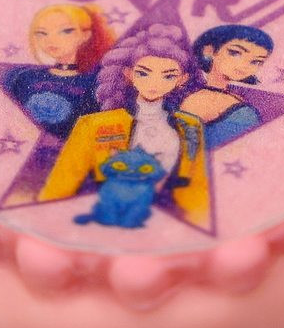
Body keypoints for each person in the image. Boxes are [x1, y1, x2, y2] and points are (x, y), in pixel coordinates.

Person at [39, 22, 210, 230]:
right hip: (103, 216)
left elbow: (195, 187)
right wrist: (45, 221)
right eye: (144, 73)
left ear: (182, 79)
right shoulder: (95, 124)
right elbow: (63, 180)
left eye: (168, 75)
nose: (154, 83)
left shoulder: (190, 126)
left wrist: (197, 226)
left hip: (166, 224)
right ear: (129, 74)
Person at [3, 3, 115, 139]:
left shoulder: (100, 81)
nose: (51, 39)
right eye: (41, 33)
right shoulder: (23, 77)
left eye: (65, 31)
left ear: (85, 35)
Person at [180, 24, 273, 149]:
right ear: (209, 50)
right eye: (235, 53)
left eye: (256, 61)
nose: (245, 65)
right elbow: (188, 148)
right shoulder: (198, 99)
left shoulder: (234, 97)